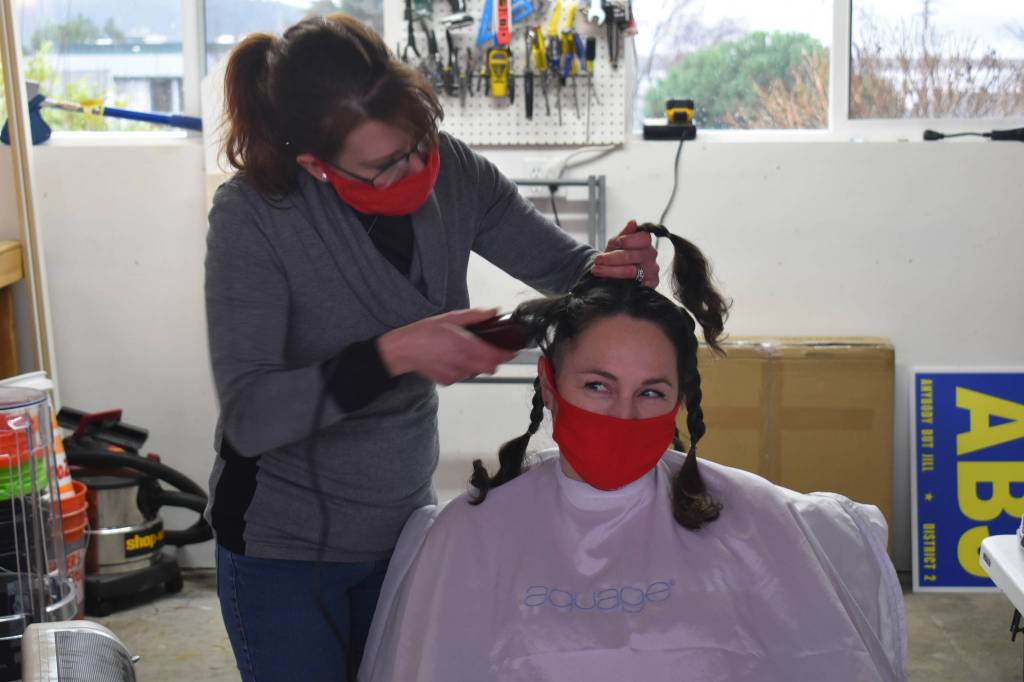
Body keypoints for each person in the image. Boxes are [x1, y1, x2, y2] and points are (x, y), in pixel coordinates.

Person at [203, 12, 660, 682]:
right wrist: (394, 354)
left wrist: (620, 270)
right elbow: (250, 416)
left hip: (403, 526)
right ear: (317, 166)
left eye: (422, 143)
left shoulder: (456, 175)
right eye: (385, 165)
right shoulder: (255, 218)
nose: (417, 170)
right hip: (283, 546)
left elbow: (569, 271)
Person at [358, 224, 907, 682]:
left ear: (680, 401)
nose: (622, 416)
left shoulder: (754, 519)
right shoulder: (467, 539)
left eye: (650, 392)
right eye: (597, 386)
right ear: (549, 386)